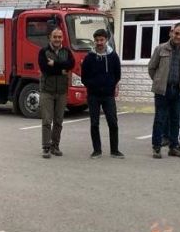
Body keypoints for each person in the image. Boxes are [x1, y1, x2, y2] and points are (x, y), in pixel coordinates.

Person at [148, 22, 180, 159]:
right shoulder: (161, 48)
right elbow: (152, 67)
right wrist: (159, 81)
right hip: (163, 90)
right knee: (160, 119)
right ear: (171, 33)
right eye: (176, 33)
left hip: (179, 90)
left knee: (175, 119)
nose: (178, 36)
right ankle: (156, 147)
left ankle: (174, 147)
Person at [81, 29, 123, 159]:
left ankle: (115, 150)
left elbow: (117, 74)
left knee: (113, 122)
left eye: (102, 40)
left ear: (106, 40)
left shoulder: (113, 56)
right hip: (93, 95)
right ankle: (97, 150)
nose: (99, 42)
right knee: (94, 123)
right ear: (94, 41)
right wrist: (93, 85)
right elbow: (84, 77)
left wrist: (110, 85)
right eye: (97, 40)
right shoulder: (89, 57)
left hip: (108, 95)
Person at [38, 27, 76, 158]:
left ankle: (55, 146)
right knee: (47, 121)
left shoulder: (67, 51)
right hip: (47, 91)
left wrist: (54, 63)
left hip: (61, 91)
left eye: (59, 37)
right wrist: (61, 69)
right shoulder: (43, 52)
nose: (57, 39)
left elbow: (71, 64)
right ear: (50, 37)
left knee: (59, 121)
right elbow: (45, 69)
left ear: (62, 38)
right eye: (55, 37)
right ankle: (46, 147)